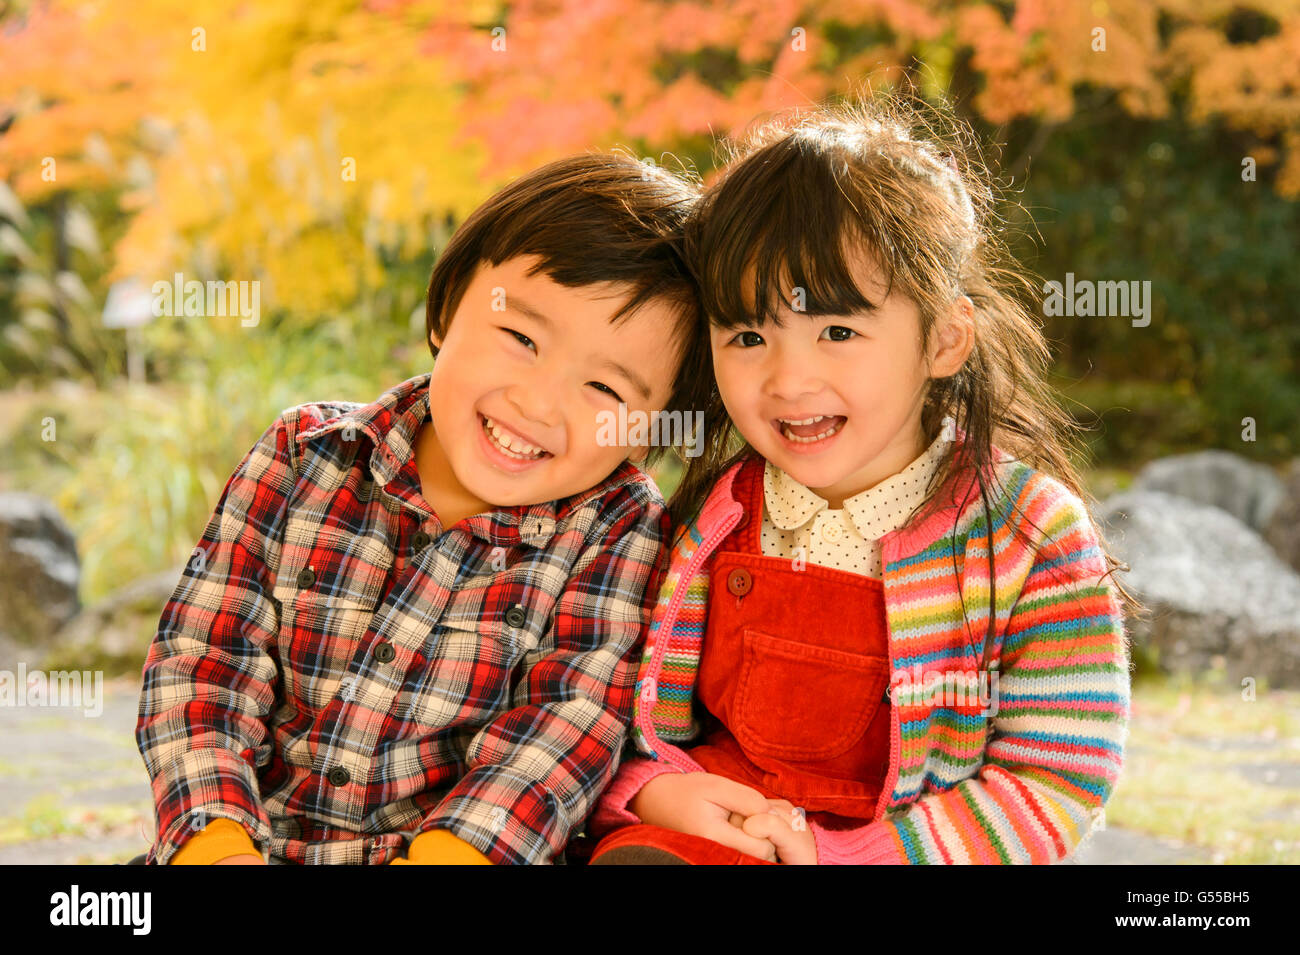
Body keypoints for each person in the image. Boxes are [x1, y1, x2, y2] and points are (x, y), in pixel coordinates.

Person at [585, 96, 1137, 865]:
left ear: (944, 338)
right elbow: (621, 716)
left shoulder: (1027, 532)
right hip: (711, 839)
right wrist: (649, 790)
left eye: (837, 331)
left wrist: (844, 857)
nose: (788, 377)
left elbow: (1056, 776)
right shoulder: (710, 518)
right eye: (747, 334)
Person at [134, 152, 711, 865]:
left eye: (605, 389)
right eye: (521, 338)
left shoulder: (616, 530)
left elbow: (563, 727)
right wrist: (217, 845)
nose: (538, 403)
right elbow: (203, 661)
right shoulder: (303, 455)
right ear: (446, 311)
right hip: (247, 843)